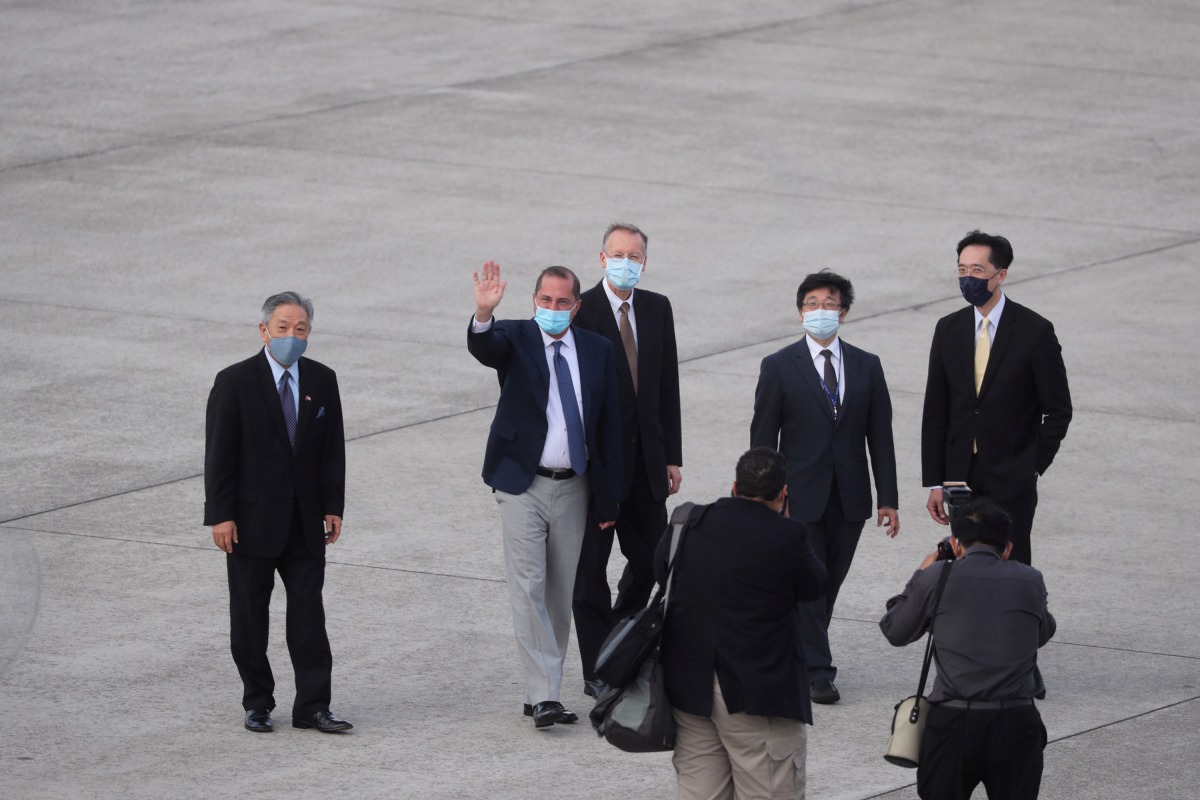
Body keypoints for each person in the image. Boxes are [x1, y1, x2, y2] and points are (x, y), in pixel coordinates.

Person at [468, 261, 622, 729]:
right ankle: (545, 696)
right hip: (521, 483)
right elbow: (485, 347)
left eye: (562, 302)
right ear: (534, 300)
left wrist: (608, 498)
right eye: (545, 299)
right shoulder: (515, 336)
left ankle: (541, 692)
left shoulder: (597, 349)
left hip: (574, 485)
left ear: (576, 307)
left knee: (558, 593)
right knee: (529, 585)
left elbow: (608, 426)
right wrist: (483, 313)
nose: (553, 307)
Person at [203, 291, 352, 734]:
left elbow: (332, 449)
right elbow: (219, 455)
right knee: (250, 617)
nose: (292, 336)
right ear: (264, 330)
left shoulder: (322, 379)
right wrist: (220, 515)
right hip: (249, 524)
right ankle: (257, 702)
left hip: (305, 523)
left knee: (309, 616)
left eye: (300, 329)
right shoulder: (235, 381)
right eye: (283, 327)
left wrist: (333, 506)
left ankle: (313, 706)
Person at [750, 270, 899, 705]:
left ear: (844, 313)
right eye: (812, 304)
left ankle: (795, 652)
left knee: (828, 584)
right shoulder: (779, 365)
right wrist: (763, 496)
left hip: (850, 497)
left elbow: (881, 437)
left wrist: (888, 498)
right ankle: (818, 672)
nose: (821, 311)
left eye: (830, 304)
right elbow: (764, 438)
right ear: (800, 312)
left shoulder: (867, 365)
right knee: (810, 584)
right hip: (798, 496)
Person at [658, 447, 826, 800]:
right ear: (783, 493)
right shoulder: (788, 535)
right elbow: (814, 586)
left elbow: (661, 572)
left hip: (690, 688)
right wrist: (785, 520)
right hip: (757, 694)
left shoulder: (688, 521)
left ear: (735, 486)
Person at [879, 497, 1056, 800]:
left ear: (955, 544)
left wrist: (921, 574)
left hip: (954, 724)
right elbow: (1042, 633)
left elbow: (895, 630)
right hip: (1016, 723)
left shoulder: (938, 576)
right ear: (1007, 548)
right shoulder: (1031, 580)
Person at [572, 222, 683, 699]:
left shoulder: (657, 307)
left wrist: (672, 455)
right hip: (598, 467)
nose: (625, 262)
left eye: (634, 256)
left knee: (654, 560)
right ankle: (597, 669)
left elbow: (666, 384)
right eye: (617, 255)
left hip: (647, 464)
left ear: (644, 262)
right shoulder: (581, 310)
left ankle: (623, 630)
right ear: (602, 259)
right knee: (589, 575)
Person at [921, 230, 1072, 565]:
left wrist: (1032, 464)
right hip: (959, 477)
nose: (968, 278)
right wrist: (934, 481)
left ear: (1000, 275)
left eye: (977, 270)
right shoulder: (948, 329)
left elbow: (1058, 409)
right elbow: (936, 410)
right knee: (962, 567)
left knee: (1011, 566)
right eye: (962, 270)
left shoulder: (1035, 331)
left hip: (1012, 477)